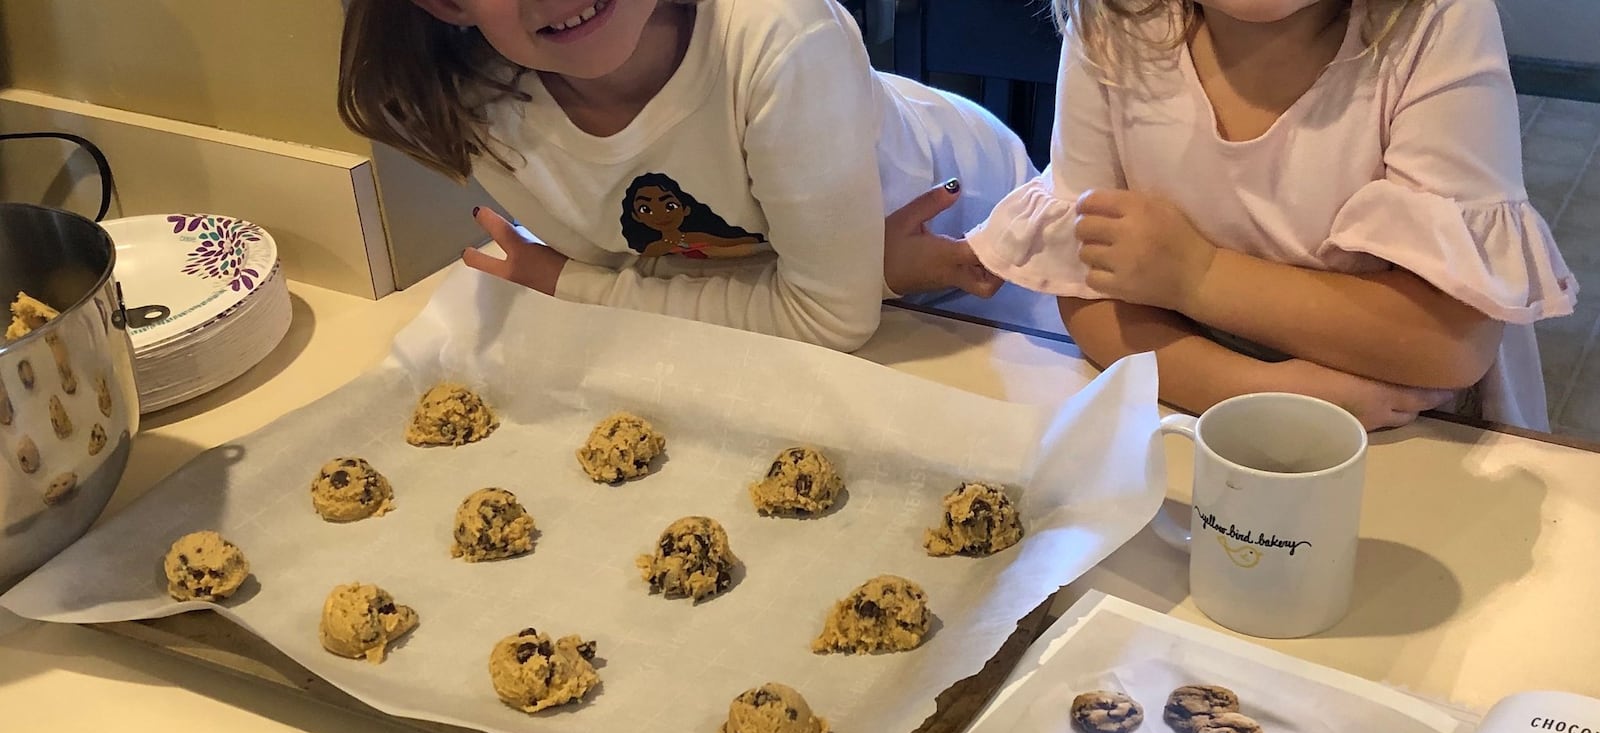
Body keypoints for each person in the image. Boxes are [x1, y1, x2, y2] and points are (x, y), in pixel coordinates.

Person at [967, 0, 1579, 430]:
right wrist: (1257, 393)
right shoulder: (1112, 22)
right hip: (1187, 420)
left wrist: (1197, 275)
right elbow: (1091, 289)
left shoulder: (1434, 23)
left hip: (1415, 438)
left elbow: (1450, 342)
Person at [339, 0, 1036, 352]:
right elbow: (661, 273)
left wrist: (570, 286)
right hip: (830, 301)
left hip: (982, 275)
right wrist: (858, 281)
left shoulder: (779, 36)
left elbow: (827, 320)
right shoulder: (468, 103)